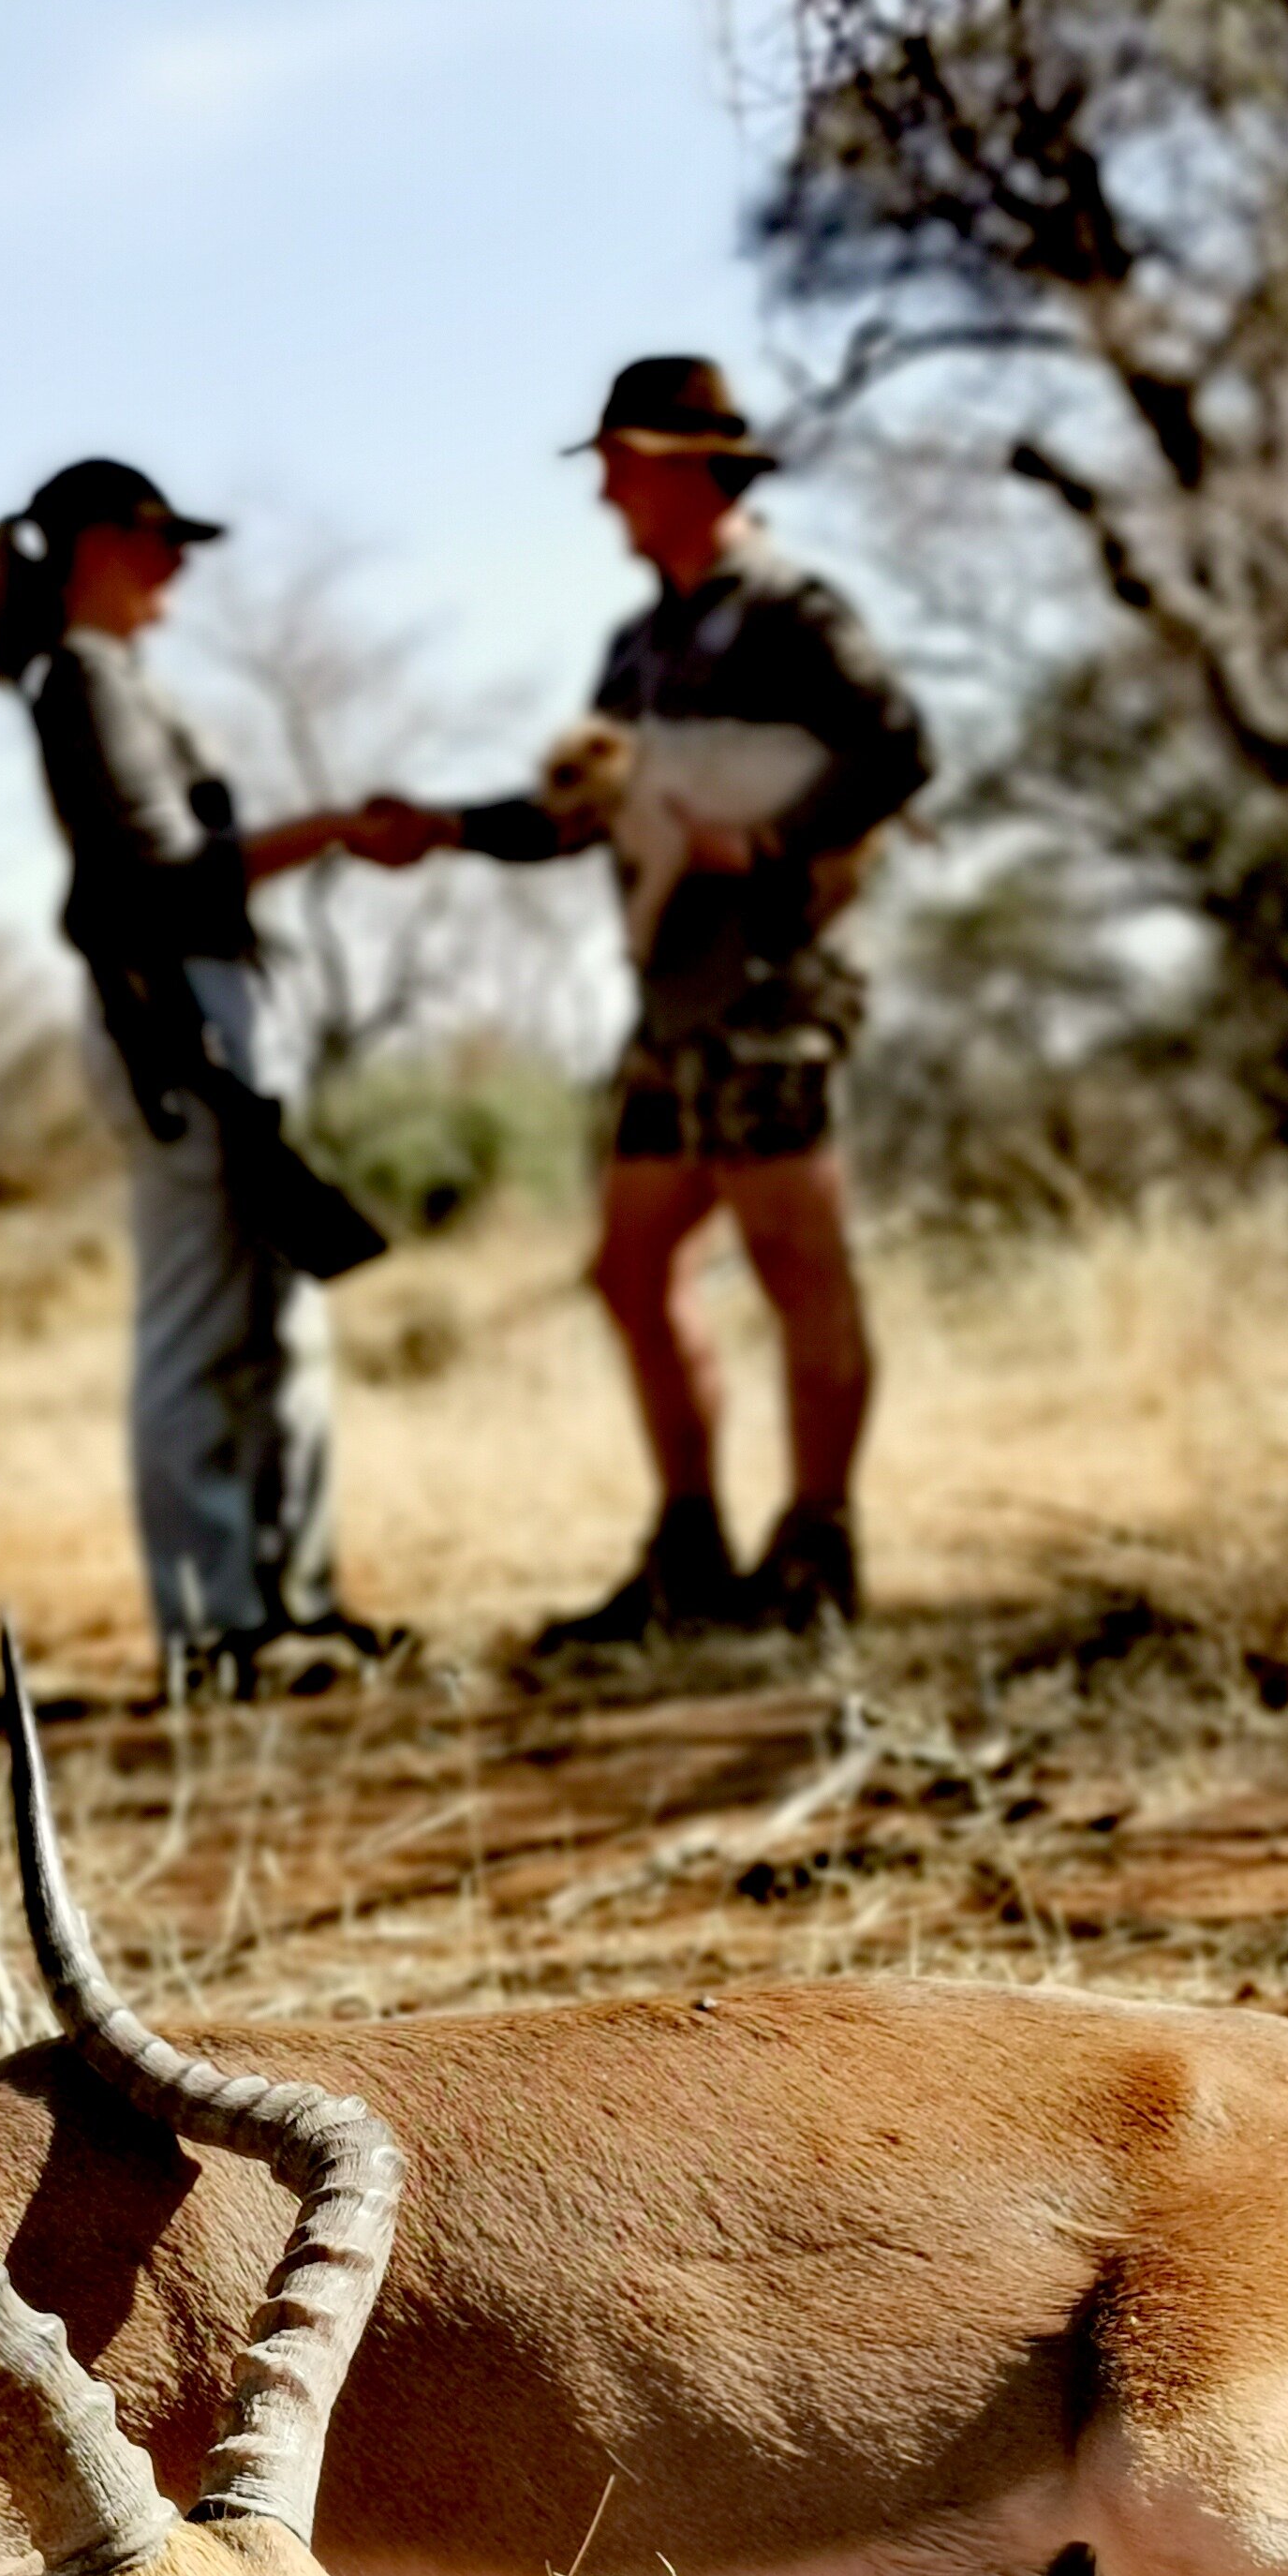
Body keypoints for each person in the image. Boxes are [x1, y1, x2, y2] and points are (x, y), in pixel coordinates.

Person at [389, 357, 930, 1645]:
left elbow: (896, 747)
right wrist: (446, 828)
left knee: (798, 1259)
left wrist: (777, 846)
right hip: (670, 994)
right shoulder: (638, 644)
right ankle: (689, 1550)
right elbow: (581, 810)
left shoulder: (791, 610)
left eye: (623, 467)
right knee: (632, 1272)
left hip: (768, 979)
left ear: (691, 467)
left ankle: (815, 1553)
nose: (609, 497)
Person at [0, 456, 418, 1696]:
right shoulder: (84, 680)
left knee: (277, 1316)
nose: (179, 562)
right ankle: (213, 1630)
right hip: (170, 1013)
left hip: (215, 1005)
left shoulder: (119, 682)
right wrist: (333, 829)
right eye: (159, 538)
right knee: (198, 1325)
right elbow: (166, 874)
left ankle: (290, 1605)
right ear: (99, 545)